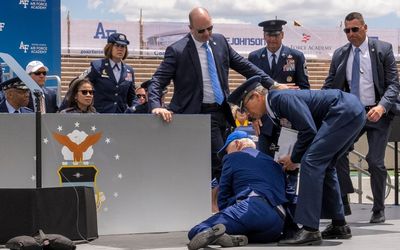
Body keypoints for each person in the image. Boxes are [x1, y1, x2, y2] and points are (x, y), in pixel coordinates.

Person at [147, 7, 284, 210]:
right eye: (201, 31)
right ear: (190, 28)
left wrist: (272, 84)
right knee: (223, 162)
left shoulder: (219, 42)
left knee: (218, 162)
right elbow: (157, 81)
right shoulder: (177, 50)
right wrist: (156, 106)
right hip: (197, 115)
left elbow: (246, 67)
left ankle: (219, 206)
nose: (207, 34)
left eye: (210, 28)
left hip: (222, 112)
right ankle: (235, 208)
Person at [228, 76, 365, 245]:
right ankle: (339, 225)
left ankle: (310, 230)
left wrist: (294, 159)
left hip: (343, 110)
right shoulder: (275, 108)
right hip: (349, 110)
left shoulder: (280, 99)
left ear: (256, 96)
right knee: (325, 165)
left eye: (245, 107)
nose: (247, 114)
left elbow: (308, 130)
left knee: (311, 162)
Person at [323, 12, 400, 223]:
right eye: (347, 30)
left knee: (375, 162)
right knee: (337, 154)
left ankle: (378, 208)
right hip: (352, 114)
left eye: (355, 29)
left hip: (378, 114)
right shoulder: (340, 54)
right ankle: (343, 201)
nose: (351, 34)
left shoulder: (383, 49)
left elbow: (394, 85)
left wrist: (382, 107)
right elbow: (329, 86)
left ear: (365, 28)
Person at [187, 131, 288, 250]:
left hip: (251, 208)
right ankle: (230, 237)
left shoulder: (232, 158)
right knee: (247, 232)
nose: (227, 153)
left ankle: (217, 235)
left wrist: (225, 214)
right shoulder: (275, 164)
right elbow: (288, 195)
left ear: (238, 144)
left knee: (197, 230)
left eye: (228, 149)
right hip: (277, 222)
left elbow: (223, 194)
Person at [248, 19, 310, 211]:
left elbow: (305, 89)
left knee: (289, 164)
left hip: (289, 122)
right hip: (265, 122)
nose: (272, 39)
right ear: (264, 36)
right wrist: (254, 118)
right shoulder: (254, 57)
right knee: (266, 163)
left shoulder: (296, 56)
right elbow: (250, 94)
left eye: (276, 35)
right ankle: (269, 205)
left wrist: (292, 91)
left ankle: (290, 206)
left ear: (282, 35)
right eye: (269, 35)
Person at [81, 32, 136, 113]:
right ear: (109, 47)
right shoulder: (97, 66)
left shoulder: (129, 71)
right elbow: (77, 83)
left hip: (121, 118)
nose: (120, 49)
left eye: (123, 46)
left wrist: (135, 107)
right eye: (117, 45)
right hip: (99, 117)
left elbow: (132, 97)